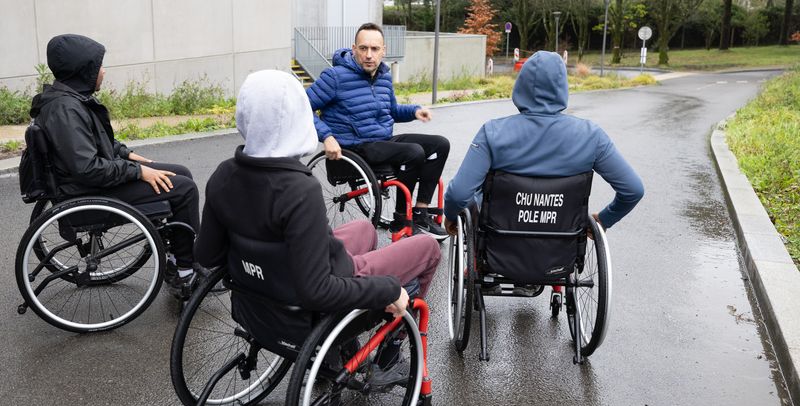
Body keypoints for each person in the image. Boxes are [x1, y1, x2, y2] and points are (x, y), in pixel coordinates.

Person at [194, 70, 441, 356]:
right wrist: (387, 289)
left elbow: (207, 255)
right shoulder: (298, 188)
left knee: (365, 229)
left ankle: (344, 352)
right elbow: (317, 290)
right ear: (297, 119)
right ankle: (393, 340)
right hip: (309, 305)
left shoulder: (224, 174)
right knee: (427, 247)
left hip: (261, 296)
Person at [444, 51, 644, 292]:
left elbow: (458, 194)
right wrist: (603, 220)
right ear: (563, 88)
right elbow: (633, 190)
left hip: (499, 243)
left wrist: (451, 216)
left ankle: (481, 265)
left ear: (521, 86)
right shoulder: (591, 136)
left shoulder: (492, 133)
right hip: (560, 249)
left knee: (476, 196)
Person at [29, 34, 200, 298]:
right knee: (184, 188)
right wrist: (139, 172)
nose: (104, 71)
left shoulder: (70, 99)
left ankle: (178, 257)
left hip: (85, 184)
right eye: (98, 66)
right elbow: (88, 167)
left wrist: (129, 155)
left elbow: (97, 143)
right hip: (86, 194)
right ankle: (186, 273)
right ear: (83, 71)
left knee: (180, 173)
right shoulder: (66, 109)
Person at [306, 22, 450, 240]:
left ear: (384, 51)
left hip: (382, 142)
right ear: (353, 49)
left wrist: (415, 111)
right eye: (363, 48)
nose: (369, 55)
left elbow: (391, 110)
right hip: (354, 148)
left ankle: (420, 212)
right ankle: (401, 219)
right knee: (413, 152)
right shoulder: (334, 77)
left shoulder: (383, 76)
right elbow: (302, 108)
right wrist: (326, 137)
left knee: (440, 144)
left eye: (375, 49)